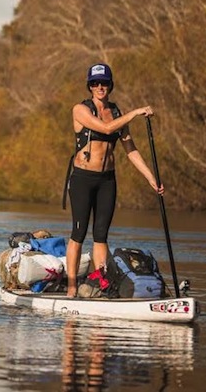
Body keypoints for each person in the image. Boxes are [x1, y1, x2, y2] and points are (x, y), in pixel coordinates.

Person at [65, 63, 163, 298]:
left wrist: (151, 177)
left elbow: (130, 149)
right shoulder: (80, 110)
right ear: (89, 86)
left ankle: (102, 284)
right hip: (82, 179)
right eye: (95, 83)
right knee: (78, 233)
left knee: (101, 235)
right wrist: (136, 112)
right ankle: (70, 288)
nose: (100, 87)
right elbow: (107, 129)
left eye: (105, 83)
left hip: (107, 180)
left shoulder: (117, 113)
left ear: (110, 85)